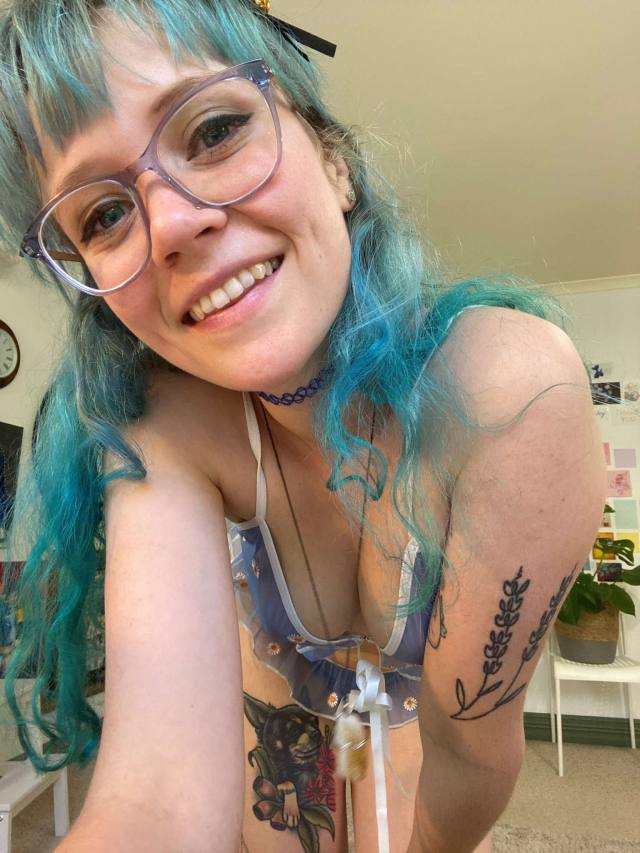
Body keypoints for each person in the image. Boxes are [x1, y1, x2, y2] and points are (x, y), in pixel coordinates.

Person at [0, 1, 606, 851]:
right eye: (102, 215)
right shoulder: (165, 427)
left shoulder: (509, 393)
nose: (170, 225)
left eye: (214, 130)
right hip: (279, 766)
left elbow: (471, 749)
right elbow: (156, 796)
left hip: (422, 773)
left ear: (334, 160)